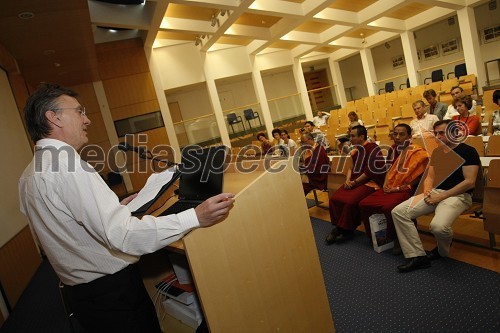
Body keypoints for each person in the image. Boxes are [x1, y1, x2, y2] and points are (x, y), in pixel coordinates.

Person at [18, 83, 235, 332]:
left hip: (82, 294)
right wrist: (195, 217)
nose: (87, 120)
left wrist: (112, 207)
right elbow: (124, 236)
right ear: (54, 117)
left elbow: (58, 221)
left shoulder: (30, 173)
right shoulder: (68, 166)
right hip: (110, 293)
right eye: (79, 112)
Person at [392, 119, 481, 273]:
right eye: (436, 133)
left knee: (438, 227)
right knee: (399, 212)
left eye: (442, 133)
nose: (438, 137)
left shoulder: (468, 151)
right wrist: (427, 191)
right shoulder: (437, 152)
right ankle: (417, 256)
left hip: (458, 195)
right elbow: (430, 177)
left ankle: (441, 250)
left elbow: (469, 182)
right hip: (435, 193)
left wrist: (440, 197)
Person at [358, 124, 428, 253]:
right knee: (364, 203)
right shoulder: (392, 149)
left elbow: (421, 177)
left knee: (389, 207)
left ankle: (399, 238)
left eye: (402, 134)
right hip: (390, 186)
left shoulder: (418, 152)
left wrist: (399, 188)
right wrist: (385, 183)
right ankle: (377, 235)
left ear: (409, 136)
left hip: (406, 188)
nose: (397, 137)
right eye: (395, 134)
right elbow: (389, 170)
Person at [326, 125, 386, 244]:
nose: (351, 139)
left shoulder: (372, 148)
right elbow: (351, 168)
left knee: (350, 202)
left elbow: (371, 171)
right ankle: (339, 226)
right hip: (354, 181)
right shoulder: (356, 150)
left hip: (370, 182)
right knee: (335, 198)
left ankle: (347, 230)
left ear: (362, 136)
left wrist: (355, 182)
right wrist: (348, 180)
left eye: (353, 136)